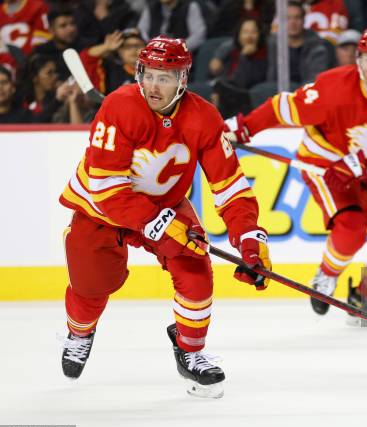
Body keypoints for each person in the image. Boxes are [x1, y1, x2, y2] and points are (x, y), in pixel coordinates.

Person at [58, 36, 271, 398]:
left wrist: (249, 237)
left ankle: (190, 351)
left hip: (165, 204)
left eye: (165, 77)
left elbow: (231, 186)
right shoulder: (119, 107)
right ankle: (80, 332)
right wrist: (156, 224)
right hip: (100, 210)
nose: (155, 86)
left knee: (196, 269)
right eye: (150, 75)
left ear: (183, 79)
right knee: (92, 286)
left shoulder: (204, 116)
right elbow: (106, 188)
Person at [226, 27, 367, 317]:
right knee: (352, 229)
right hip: (325, 165)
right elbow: (284, 107)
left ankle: (365, 294)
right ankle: (326, 277)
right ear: (358, 59)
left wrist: (362, 166)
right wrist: (244, 127)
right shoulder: (334, 87)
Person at [266, 1, 331, 84]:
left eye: (297, 18)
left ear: (304, 20)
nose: (293, 22)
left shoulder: (318, 46)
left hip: (306, 94)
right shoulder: (272, 44)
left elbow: (315, 81)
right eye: (288, 18)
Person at [79, 28, 145, 95]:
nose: (133, 50)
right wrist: (106, 47)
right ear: (119, 51)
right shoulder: (111, 72)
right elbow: (86, 57)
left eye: (137, 45)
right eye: (127, 46)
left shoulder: (154, 71)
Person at [32, 6, 85, 80]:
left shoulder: (86, 48)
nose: (71, 29)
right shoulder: (41, 53)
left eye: (72, 23)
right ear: (51, 30)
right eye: (63, 26)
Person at [137, 0, 207, 52]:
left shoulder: (190, 6)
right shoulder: (151, 7)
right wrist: (152, 47)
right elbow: (141, 31)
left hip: (180, 57)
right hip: (153, 54)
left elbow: (198, 36)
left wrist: (176, 48)